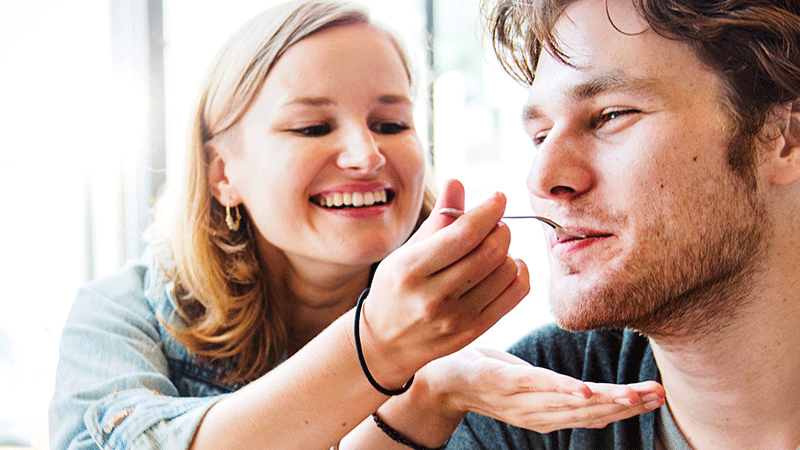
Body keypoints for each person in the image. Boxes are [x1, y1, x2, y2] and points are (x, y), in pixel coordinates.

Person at [49, 1, 666, 449]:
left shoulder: (467, 340)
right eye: (312, 128)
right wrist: (376, 348)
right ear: (222, 173)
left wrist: (433, 395)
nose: (367, 155)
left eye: (391, 124)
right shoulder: (123, 317)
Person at [441, 0, 800, 448]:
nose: (542, 177)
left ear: (785, 139)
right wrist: (407, 385)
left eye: (611, 116)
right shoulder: (531, 407)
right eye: (540, 136)